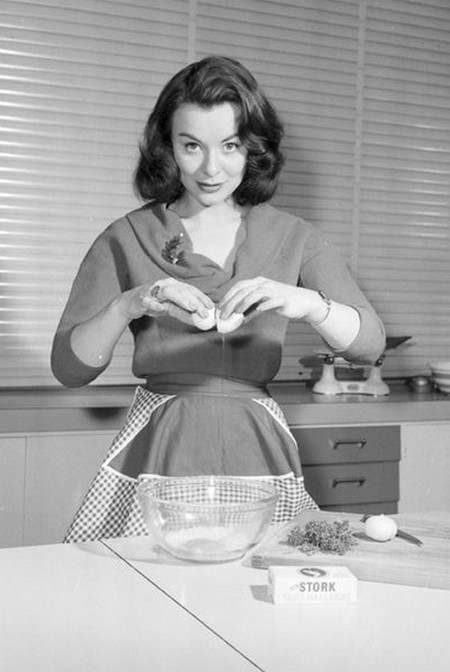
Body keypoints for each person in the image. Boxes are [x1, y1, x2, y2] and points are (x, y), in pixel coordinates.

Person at [51, 55, 386, 542]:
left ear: (253, 147)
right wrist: (130, 304)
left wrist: (308, 303)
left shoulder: (294, 236)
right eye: (192, 146)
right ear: (167, 146)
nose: (211, 168)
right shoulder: (125, 237)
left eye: (230, 146)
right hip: (160, 445)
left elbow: (369, 345)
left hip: (257, 446)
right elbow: (69, 368)